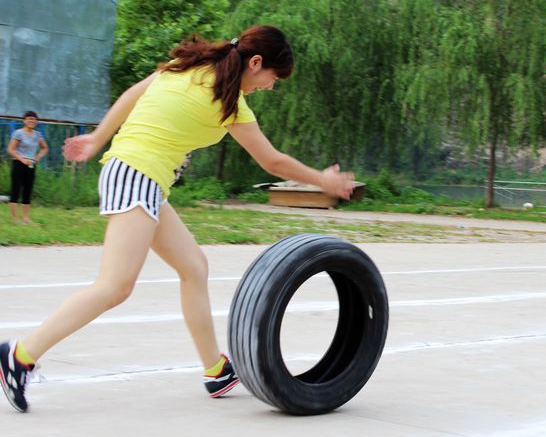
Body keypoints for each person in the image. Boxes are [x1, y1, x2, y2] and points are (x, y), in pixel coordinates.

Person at [0, 25, 355, 413]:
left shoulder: (187, 66)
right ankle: (20, 355)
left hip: (141, 177)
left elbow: (132, 95)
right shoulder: (230, 101)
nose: (271, 86)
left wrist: (98, 139)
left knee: (193, 266)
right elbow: (271, 160)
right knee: (115, 286)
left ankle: (216, 369)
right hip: (136, 174)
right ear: (256, 63)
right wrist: (322, 179)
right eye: (273, 77)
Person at [6, 111, 49, 224]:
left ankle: (26, 218)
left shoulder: (37, 134)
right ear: (24, 120)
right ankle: (15, 219)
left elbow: (44, 148)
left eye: (34, 119)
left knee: (27, 191)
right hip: (18, 163)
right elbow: (10, 150)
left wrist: (37, 158)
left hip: (31, 164)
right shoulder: (18, 133)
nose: (32, 121)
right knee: (16, 190)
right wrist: (22, 159)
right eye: (29, 118)